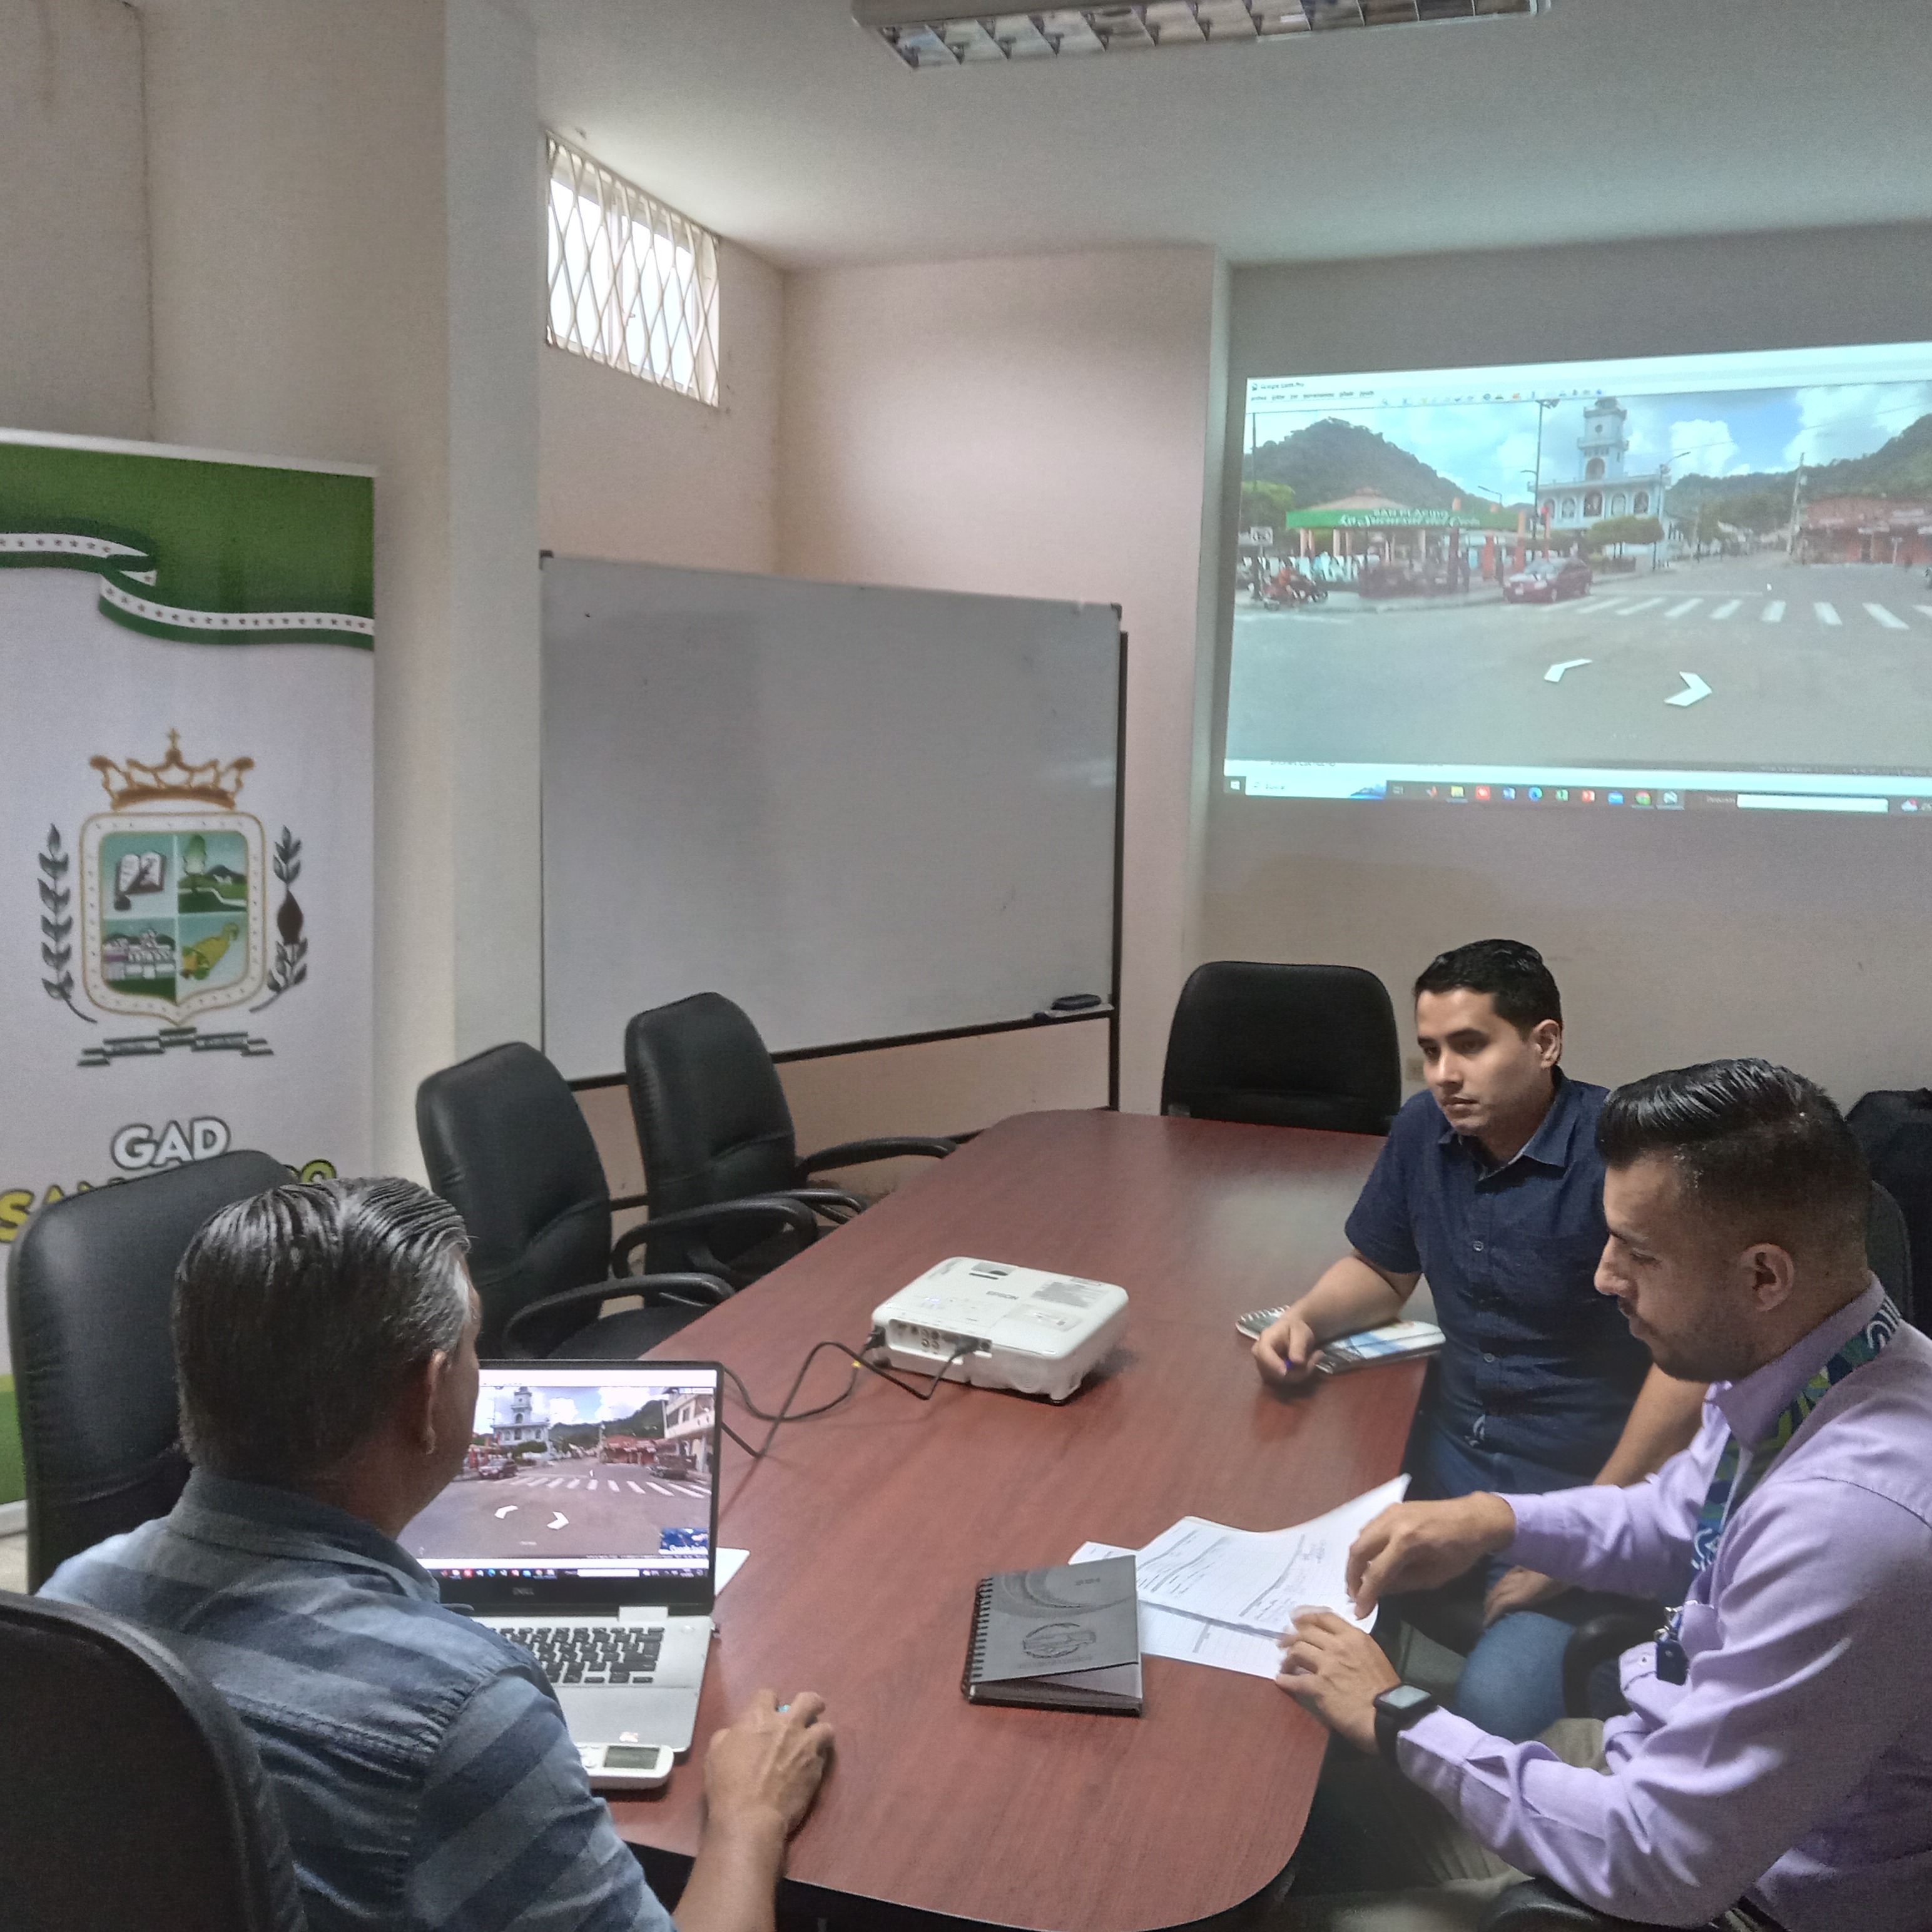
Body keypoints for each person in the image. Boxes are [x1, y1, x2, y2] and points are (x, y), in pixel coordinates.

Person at [43, 1176, 834, 1932]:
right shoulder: (459, 1710)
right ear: (427, 1397)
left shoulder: (68, 1609)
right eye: (473, 1345)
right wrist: (749, 1818)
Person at [1278, 1060, 1932, 1929]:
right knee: (1304, 1816)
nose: (1605, 1276)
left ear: (1763, 1277)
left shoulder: (1854, 1525)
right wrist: (1493, 1520)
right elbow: (1676, 1519)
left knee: (1273, 1891)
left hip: (1727, 1892)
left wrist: (1398, 1713)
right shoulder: (1827, 1366)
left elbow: (1658, 1856)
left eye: (1640, 1253)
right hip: (1666, 1767)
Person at [1252, 940, 1706, 1738]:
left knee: (1491, 1709)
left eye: (1469, 1045)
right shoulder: (1421, 1129)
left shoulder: (1622, 1158)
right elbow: (1382, 1267)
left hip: (1582, 1491)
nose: (1443, 1075)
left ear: (1544, 1042)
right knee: (1282, 1641)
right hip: (1446, 1475)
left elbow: (1690, 1369)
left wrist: (1575, 1539)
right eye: (1429, 1051)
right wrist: (1308, 1319)